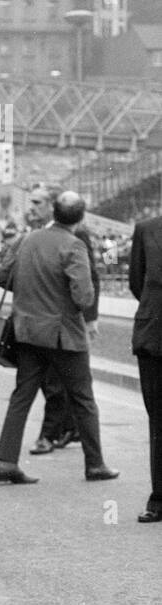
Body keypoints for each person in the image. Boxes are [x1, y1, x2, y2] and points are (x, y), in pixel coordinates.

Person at [0, 191, 119, 485]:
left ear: (54, 212)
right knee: (83, 399)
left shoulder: (27, 239)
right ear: (81, 217)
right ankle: (95, 464)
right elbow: (84, 295)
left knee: (21, 397)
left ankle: (7, 462)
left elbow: (4, 278)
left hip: (26, 332)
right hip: (64, 335)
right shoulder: (74, 246)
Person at [131, 214, 162, 522]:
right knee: (158, 420)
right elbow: (136, 281)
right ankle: (159, 498)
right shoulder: (146, 229)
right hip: (154, 336)